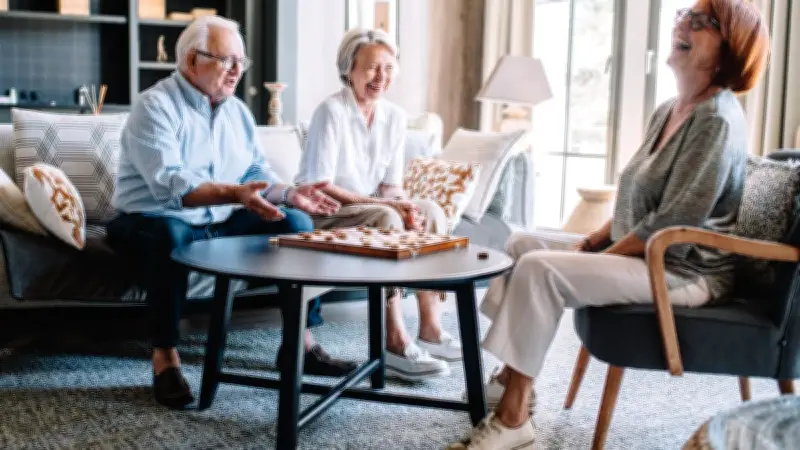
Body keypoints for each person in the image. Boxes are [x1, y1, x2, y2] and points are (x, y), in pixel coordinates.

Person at [448, 1, 770, 448]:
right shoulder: (670, 109)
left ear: (729, 49)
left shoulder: (716, 118)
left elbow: (676, 221)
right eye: (684, 14)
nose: (683, 22)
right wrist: (592, 240)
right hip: (648, 251)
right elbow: (634, 199)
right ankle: (510, 375)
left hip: (682, 271)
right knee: (521, 242)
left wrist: (600, 254)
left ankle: (513, 417)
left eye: (701, 21)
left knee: (543, 268)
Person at [107, 16, 358, 410]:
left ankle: (300, 344)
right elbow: (173, 187)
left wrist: (289, 192)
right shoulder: (154, 106)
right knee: (171, 235)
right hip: (149, 221)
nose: (238, 71)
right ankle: (165, 358)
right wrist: (238, 195)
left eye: (242, 62)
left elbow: (254, 173)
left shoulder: (237, 111)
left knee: (296, 223)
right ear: (192, 60)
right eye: (227, 61)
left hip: (216, 221)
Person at [295, 28, 459, 381]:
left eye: (388, 67)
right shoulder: (331, 111)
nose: (381, 77)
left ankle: (430, 329)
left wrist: (408, 207)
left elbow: (392, 187)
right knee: (386, 216)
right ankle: (394, 341)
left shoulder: (395, 117)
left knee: (430, 209)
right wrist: (391, 207)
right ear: (349, 69)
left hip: (365, 208)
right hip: (323, 213)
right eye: (371, 68)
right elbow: (323, 186)